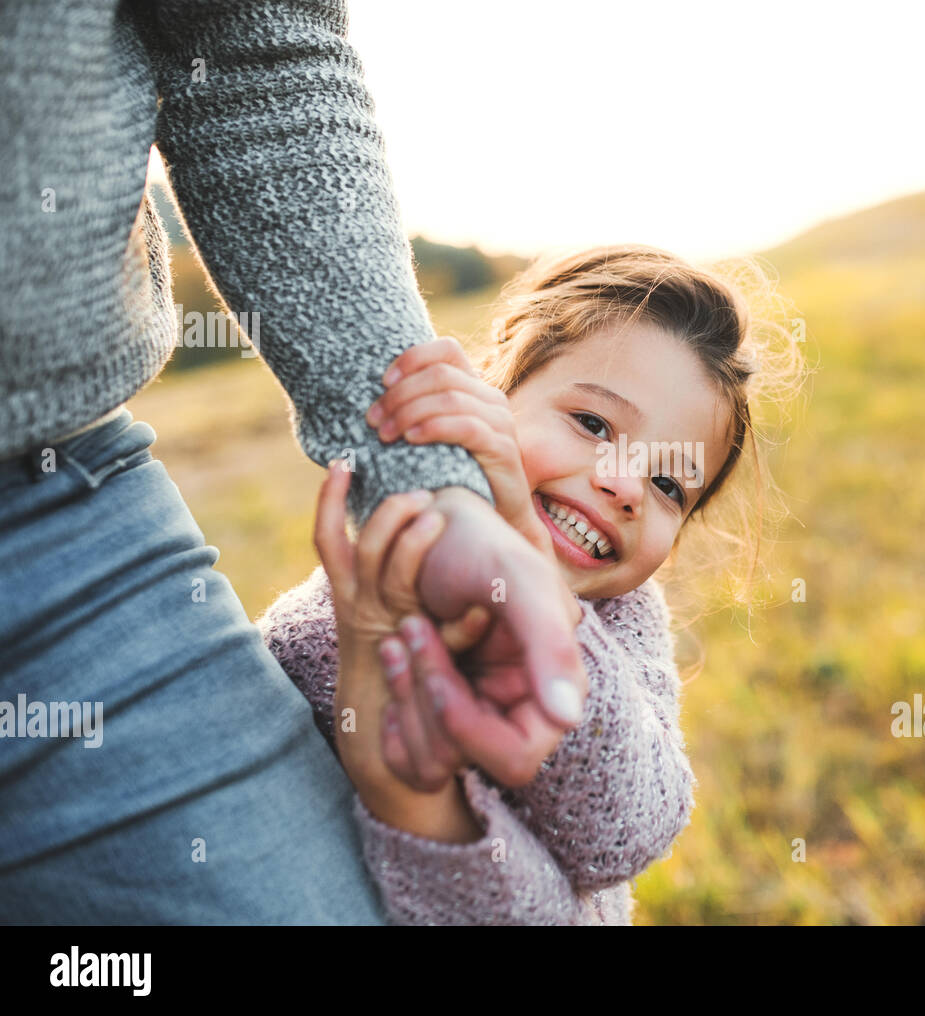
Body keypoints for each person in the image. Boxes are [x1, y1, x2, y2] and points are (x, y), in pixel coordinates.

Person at [0, 0, 582, 923]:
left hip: (51, 518)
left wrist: (430, 485)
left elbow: (253, 45)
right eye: (589, 423)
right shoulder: (317, 635)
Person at [257, 246, 809, 923]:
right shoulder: (353, 614)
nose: (625, 484)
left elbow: (628, 828)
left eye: (670, 484)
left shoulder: (620, 624)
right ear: (491, 391)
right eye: (593, 424)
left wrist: (538, 593)